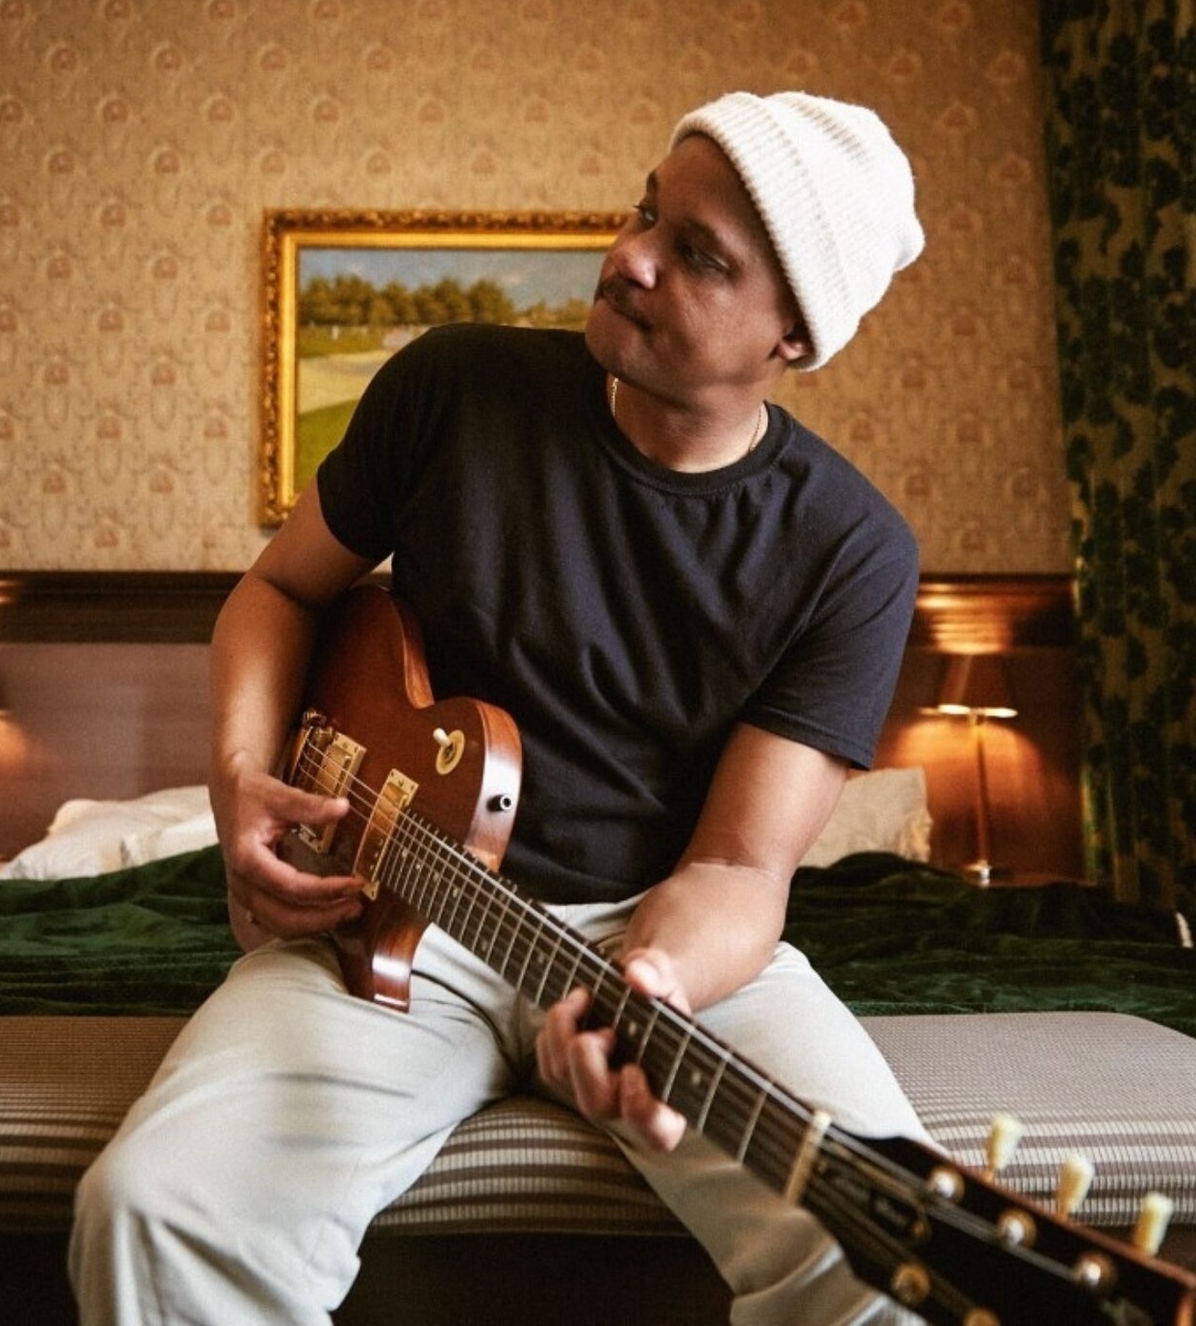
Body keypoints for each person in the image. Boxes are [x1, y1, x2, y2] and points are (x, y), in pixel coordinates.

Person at [70, 90, 929, 1324]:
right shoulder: (453, 389)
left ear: (793, 332)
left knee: (886, 1250)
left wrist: (650, 987)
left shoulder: (854, 551)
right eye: (647, 212)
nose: (630, 256)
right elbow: (279, 589)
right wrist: (237, 777)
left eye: (697, 256)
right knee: (156, 1207)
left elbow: (743, 865)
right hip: (393, 898)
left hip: (659, 938)